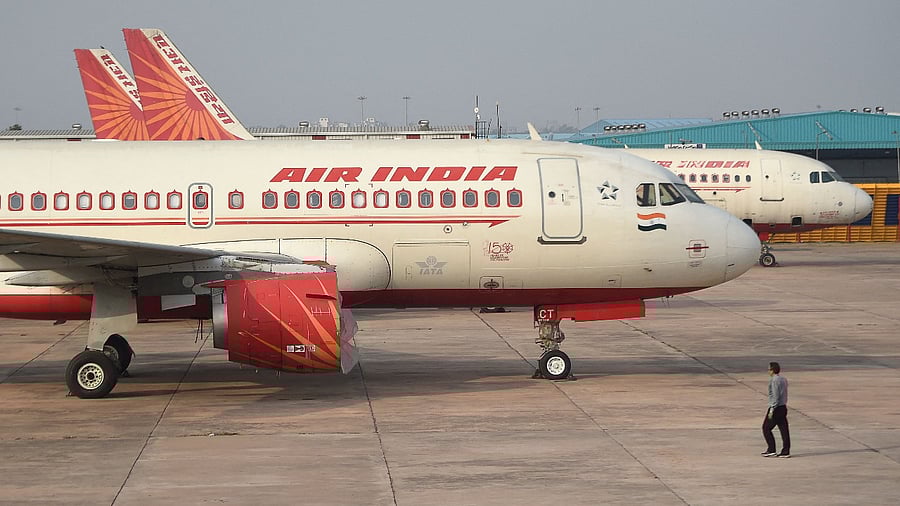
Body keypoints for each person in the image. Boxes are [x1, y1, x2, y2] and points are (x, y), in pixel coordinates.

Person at [761, 361, 791, 457]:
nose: (768, 371)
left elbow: (775, 396)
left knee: (766, 428)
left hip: (776, 408)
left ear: (772, 370)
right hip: (783, 407)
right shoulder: (783, 379)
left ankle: (771, 449)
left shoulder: (774, 380)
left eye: (769, 369)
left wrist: (772, 409)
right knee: (784, 429)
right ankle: (786, 450)